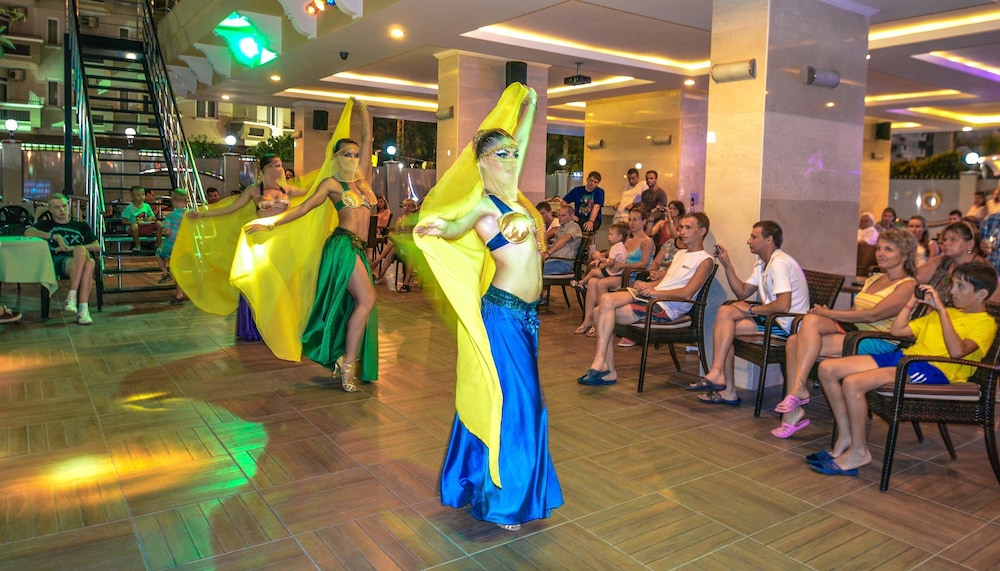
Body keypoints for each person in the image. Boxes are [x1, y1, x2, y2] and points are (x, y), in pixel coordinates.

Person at [413, 83, 563, 531]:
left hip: (527, 318)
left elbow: (525, 141)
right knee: (520, 403)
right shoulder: (483, 204)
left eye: (514, 153)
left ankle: (472, 477)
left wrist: (530, 106)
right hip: (501, 314)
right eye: (502, 154)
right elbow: (456, 226)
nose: (511, 159)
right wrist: (438, 228)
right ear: (481, 162)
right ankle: (505, 500)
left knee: (507, 399)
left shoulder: (516, 200)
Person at [811, 262, 998, 476]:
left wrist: (942, 312)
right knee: (827, 369)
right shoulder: (945, 313)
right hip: (905, 358)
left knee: (853, 383)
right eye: (953, 285)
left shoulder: (985, 323)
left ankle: (858, 452)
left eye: (961, 287)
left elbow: (957, 352)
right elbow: (897, 330)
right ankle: (846, 436)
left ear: (982, 294)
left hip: (933, 369)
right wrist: (912, 302)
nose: (953, 291)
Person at [244, 102, 378, 392]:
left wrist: (365, 113)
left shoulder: (362, 181)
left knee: (357, 303)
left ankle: (343, 358)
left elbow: (368, 140)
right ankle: (347, 364)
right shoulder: (332, 184)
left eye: (356, 154)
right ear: (336, 157)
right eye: (347, 154)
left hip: (357, 248)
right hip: (342, 246)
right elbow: (303, 208)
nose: (353, 158)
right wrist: (270, 223)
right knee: (367, 300)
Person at [770, 229, 917, 439]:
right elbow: (856, 313)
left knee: (797, 340)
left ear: (904, 254)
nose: (880, 253)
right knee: (799, 333)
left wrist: (830, 313)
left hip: (877, 342)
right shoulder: (875, 278)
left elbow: (873, 315)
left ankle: (795, 400)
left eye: (888, 249)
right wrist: (825, 313)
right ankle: (797, 393)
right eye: (879, 248)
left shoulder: (908, 285)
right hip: (854, 332)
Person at [577, 213, 715, 386]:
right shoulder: (681, 254)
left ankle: (605, 367)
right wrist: (649, 285)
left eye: (688, 228)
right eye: (681, 227)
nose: (682, 231)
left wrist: (654, 292)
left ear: (702, 231)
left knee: (599, 312)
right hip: (652, 297)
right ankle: (603, 365)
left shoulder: (705, 260)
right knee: (604, 301)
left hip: (665, 307)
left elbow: (687, 293)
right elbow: (667, 280)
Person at [189, 153, 308, 341]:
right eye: (276, 165)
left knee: (284, 282)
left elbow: (313, 192)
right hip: (260, 239)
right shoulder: (254, 190)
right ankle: (254, 327)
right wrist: (203, 214)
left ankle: (280, 325)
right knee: (260, 282)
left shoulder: (286, 188)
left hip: (282, 240)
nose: (280, 169)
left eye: (280, 165)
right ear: (266, 168)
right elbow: (231, 208)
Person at [689, 221, 810, 405]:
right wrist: (727, 264)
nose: (748, 241)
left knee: (725, 326)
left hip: (788, 326)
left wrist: (752, 309)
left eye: (754, 237)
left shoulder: (780, 264)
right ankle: (723, 382)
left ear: (769, 240)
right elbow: (743, 292)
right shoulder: (763, 264)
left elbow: (783, 306)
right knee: (725, 322)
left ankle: (719, 378)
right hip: (774, 321)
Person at [573, 207, 654, 337]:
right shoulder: (628, 241)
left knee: (602, 283)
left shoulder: (646, 241)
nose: (632, 223)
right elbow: (613, 254)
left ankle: (602, 322)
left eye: (635, 220)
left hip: (635, 277)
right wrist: (600, 255)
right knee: (593, 281)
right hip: (621, 273)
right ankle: (588, 320)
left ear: (644, 221)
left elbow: (644, 264)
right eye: (630, 219)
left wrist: (624, 265)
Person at [24, 193, 100, 325]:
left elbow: (97, 246)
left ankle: (73, 298)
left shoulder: (80, 226)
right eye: (57, 207)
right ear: (50, 209)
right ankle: (83, 309)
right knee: (87, 260)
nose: (62, 210)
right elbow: (28, 232)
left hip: (77, 260)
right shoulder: (46, 225)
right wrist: (54, 236)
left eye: (64, 206)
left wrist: (71, 248)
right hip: (58, 261)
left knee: (86, 257)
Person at [916, 220, 992, 308]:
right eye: (945, 239)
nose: (946, 243)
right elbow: (914, 278)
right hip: (931, 314)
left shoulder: (982, 269)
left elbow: (991, 307)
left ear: (970, 244)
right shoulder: (944, 260)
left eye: (953, 239)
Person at [372, 198, 420, 290]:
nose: (406, 208)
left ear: (414, 208)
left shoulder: (414, 219)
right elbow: (397, 233)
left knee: (393, 241)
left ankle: (377, 261)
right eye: (404, 205)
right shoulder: (400, 219)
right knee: (392, 248)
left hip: (410, 244)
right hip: (400, 244)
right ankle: (380, 276)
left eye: (409, 206)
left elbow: (411, 235)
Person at [538, 205, 582, 305]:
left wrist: (548, 253)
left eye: (563, 215)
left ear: (571, 216)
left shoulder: (574, 227)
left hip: (564, 263)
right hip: (554, 261)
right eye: (559, 215)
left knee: (535, 270)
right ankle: (540, 297)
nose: (560, 218)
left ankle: (533, 300)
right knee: (532, 265)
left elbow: (565, 239)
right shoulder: (560, 228)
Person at [155, 189, 189, 303]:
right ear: (186, 202)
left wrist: (164, 231)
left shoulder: (170, 216)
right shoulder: (189, 214)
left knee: (159, 253)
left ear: (173, 201)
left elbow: (167, 232)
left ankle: (165, 273)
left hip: (171, 245)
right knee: (178, 269)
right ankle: (180, 293)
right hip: (184, 245)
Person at [572, 222, 628, 290]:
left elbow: (611, 262)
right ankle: (586, 285)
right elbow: (612, 260)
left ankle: (581, 283)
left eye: (611, 235)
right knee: (595, 269)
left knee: (593, 271)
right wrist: (601, 260)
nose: (609, 236)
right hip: (618, 272)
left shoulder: (615, 248)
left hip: (612, 272)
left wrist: (603, 265)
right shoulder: (621, 247)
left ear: (620, 236)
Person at [122, 185, 162, 253]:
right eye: (138, 195)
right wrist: (134, 222)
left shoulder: (147, 206)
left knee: (159, 223)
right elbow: (124, 221)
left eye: (143, 194)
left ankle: (159, 246)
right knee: (134, 226)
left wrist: (150, 218)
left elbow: (154, 217)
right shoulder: (129, 208)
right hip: (133, 229)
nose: (141, 197)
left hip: (145, 226)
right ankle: (137, 245)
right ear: (132, 196)